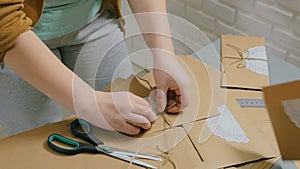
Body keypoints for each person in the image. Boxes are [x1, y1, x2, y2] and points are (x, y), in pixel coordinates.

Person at [0, 0, 191, 136]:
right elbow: (3, 16)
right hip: (15, 40)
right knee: (34, 141)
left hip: (95, 18)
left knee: (130, 122)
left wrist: (164, 53)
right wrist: (88, 103)